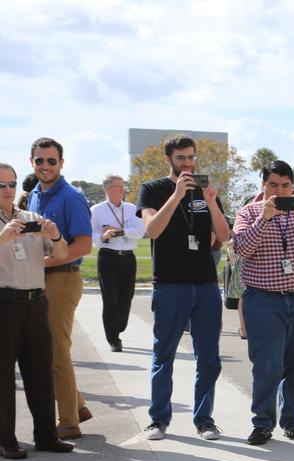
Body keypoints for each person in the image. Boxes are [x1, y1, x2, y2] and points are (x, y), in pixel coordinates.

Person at [231, 160, 294, 445]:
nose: (279, 191)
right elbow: (242, 248)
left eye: (286, 185)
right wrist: (263, 219)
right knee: (267, 365)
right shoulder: (249, 212)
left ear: (293, 187)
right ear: (263, 185)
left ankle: (292, 421)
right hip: (264, 300)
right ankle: (263, 423)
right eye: (273, 185)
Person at [137, 135, 229, 441]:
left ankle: (204, 420)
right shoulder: (152, 189)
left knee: (209, 358)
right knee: (164, 355)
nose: (188, 164)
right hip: (169, 285)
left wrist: (212, 201)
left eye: (191, 157)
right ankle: (158, 420)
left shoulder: (205, 190)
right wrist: (177, 195)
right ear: (169, 159)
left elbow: (224, 235)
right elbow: (152, 230)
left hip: (205, 285)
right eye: (181, 158)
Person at [0, 161, 74, 459]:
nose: (7, 190)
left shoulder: (31, 217)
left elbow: (62, 253)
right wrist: (3, 238)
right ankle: (5, 440)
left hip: (35, 301)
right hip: (4, 303)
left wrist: (54, 235)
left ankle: (46, 436)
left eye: (11, 184)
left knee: (41, 371)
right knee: (3, 376)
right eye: (1, 185)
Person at [26, 138, 93, 440]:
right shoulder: (34, 196)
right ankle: (77, 405)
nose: (45, 166)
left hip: (62, 279)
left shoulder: (72, 197)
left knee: (56, 351)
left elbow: (84, 245)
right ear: (32, 162)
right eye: (40, 160)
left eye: (51, 161)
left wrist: (44, 262)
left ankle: (68, 422)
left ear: (61, 163)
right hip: (39, 279)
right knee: (45, 349)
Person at [89, 175, 145, 353]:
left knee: (126, 296)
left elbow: (139, 231)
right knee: (110, 299)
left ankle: (118, 326)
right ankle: (113, 339)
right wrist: (103, 236)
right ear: (108, 189)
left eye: (123, 186)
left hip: (128, 258)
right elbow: (90, 236)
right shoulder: (96, 210)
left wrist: (121, 231)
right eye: (118, 186)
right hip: (108, 258)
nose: (122, 190)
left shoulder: (131, 208)